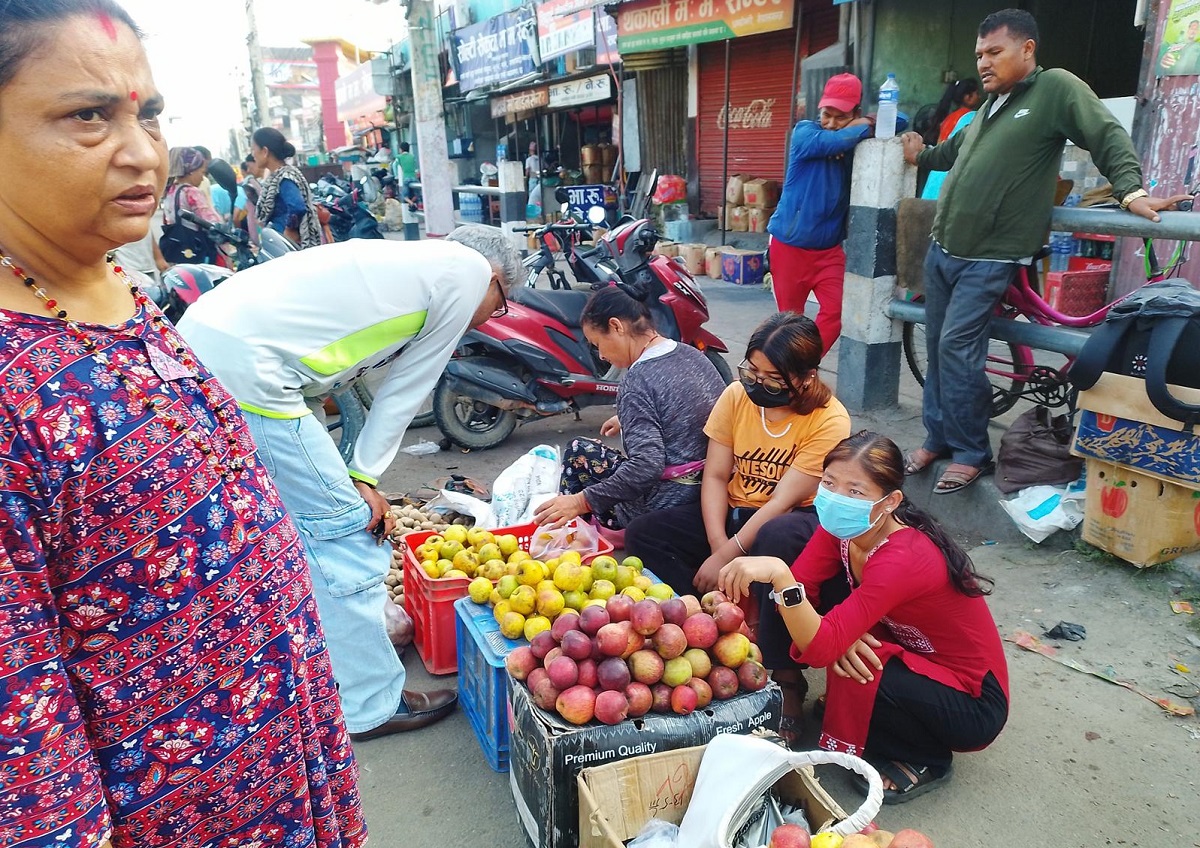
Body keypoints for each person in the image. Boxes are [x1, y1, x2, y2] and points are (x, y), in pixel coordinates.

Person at [0, 2, 365, 845]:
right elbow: (26, 760)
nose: (142, 152)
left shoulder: (120, 292)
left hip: (287, 762)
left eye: (149, 113)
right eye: (88, 115)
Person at [177, 225, 520, 740]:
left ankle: (328, 661)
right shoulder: (466, 272)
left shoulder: (413, 266)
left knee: (297, 530)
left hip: (211, 349)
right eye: (500, 306)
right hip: (248, 371)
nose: (491, 317)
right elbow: (410, 385)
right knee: (346, 533)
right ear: (494, 279)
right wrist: (362, 476)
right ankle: (369, 705)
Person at [900, 8, 1190, 493]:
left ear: (1027, 49)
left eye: (995, 52)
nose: (984, 63)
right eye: (980, 54)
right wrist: (918, 155)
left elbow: (1105, 133)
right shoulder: (989, 106)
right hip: (944, 247)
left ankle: (972, 453)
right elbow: (951, 154)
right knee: (935, 343)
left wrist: (1131, 192)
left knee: (955, 347)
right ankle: (939, 437)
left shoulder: (1055, 88)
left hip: (992, 254)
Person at [718, 431, 1009, 804]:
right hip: (914, 658)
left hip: (972, 701)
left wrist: (781, 576)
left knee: (852, 661)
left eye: (856, 491)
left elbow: (806, 620)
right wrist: (836, 631)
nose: (837, 498)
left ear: (890, 502)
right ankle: (876, 713)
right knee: (843, 647)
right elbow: (801, 597)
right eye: (829, 483)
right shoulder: (841, 528)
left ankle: (928, 758)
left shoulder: (903, 557)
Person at [624, 312, 851, 742]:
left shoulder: (828, 419)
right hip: (732, 512)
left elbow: (783, 500)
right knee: (644, 534)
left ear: (805, 377)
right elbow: (714, 475)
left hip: (791, 520)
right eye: (752, 370)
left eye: (772, 378)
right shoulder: (735, 397)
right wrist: (717, 546)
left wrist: (728, 554)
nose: (756, 384)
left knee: (773, 540)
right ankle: (702, 631)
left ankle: (785, 677)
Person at [533, 285, 726, 533]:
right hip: (712, 491)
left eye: (597, 344)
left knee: (578, 452)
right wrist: (628, 417)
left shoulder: (637, 382)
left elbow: (646, 468)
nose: (601, 355)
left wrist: (580, 502)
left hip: (666, 501)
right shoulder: (691, 355)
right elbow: (692, 411)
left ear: (616, 326)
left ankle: (575, 534)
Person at [766, 74, 875, 356]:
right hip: (789, 247)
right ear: (819, 109)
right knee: (789, 323)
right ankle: (783, 376)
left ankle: (802, 367)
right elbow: (833, 142)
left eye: (841, 117)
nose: (831, 123)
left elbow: (897, 120)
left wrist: (869, 123)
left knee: (838, 312)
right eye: (827, 114)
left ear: (856, 113)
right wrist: (857, 129)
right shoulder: (804, 132)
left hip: (828, 251)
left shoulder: (850, 134)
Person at [252, 126, 322, 248]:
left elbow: (297, 207)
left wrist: (290, 230)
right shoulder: (276, 177)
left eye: (253, 149)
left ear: (264, 151)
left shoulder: (285, 178)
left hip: (292, 247)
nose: (252, 154)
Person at [162, 145, 221, 262]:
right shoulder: (191, 192)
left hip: (178, 250)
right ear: (191, 171)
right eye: (202, 172)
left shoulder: (170, 191)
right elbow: (210, 221)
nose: (203, 178)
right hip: (196, 250)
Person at [927, 78, 981, 145]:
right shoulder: (973, 116)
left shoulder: (948, 118)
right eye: (977, 93)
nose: (979, 97)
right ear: (967, 97)